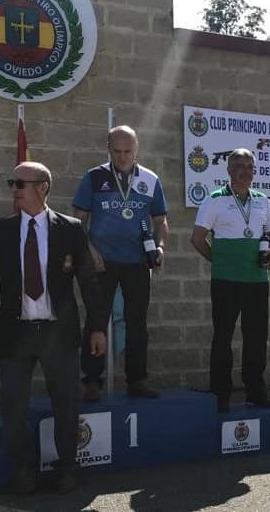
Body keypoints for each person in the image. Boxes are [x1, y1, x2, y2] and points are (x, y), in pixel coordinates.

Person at [0, 162, 108, 495]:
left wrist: (97, 328)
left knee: (66, 403)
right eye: (12, 182)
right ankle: (23, 469)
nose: (14, 189)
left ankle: (68, 468)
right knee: (13, 404)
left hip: (59, 332)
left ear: (43, 188)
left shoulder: (70, 229)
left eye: (20, 183)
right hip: (16, 334)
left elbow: (87, 281)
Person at [72, 125, 169, 400]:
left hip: (138, 262)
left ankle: (137, 381)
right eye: (117, 152)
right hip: (101, 262)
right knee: (96, 320)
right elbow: (78, 220)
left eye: (128, 151)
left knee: (137, 323)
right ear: (108, 149)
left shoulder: (150, 180)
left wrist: (160, 247)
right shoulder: (94, 177)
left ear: (136, 149)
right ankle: (92, 380)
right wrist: (89, 250)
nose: (123, 157)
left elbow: (161, 221)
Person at [190, 148, 270, 413]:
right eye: (238, 166)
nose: (244, 171)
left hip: (257, 281)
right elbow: (197, 238)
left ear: (255, 170)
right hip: (226, 282)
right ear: (228, 171)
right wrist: (218, 261)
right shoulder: (214, 200)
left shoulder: (262, 200)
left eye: (249, 166)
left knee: (256, 338)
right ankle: (221, 394)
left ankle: (255, 391)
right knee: (223, 338)